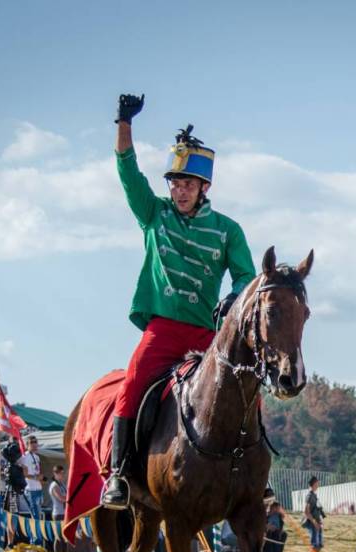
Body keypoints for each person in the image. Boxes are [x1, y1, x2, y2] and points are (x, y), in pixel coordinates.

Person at [101, 93, 257, 510]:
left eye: (188, 184)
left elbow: (246, 275)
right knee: (131, 384)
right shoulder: (154, 214)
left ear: (204, 187)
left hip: (208, 335)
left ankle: (252, 475)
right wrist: (124, 124)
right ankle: (118, 474)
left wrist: (232, 299)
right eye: (175, 183)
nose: (180, 191)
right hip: (163, 329)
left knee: (245, 390)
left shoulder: (228, 230)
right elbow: (127, 173)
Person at [19, 434, 44, 520]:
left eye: (35, 442)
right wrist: (36, 478)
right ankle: (36, 533)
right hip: (30, 489)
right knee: (35, 514)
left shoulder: (37, 457)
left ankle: (39, 532)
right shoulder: (24, 456)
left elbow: (38, 471)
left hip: (38, 488)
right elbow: (24, 474)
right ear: (27, 445)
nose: (34, 444)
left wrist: (41, 479)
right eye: (31, 442)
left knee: (39, 513)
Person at [264, 487, 287, 552]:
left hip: (274, 528)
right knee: (270, 533)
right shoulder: (261, 506)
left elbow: (282, 518)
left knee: (283, 534)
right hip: (264, 530)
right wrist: (267, 526)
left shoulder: (275, 507)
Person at [303, 476, 325, 552]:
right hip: (312, 522)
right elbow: (306, 512)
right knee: (315, 541)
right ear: (314, 484)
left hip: (316, 521)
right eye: (317, 483)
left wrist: (319, 521)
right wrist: (314, 522)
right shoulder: (309, 496)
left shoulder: (314, 495)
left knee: (319, 541)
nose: (318, 485)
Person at [49, 465, 67, 549]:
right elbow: (61, 498)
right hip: (58, 513)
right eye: (61, 473)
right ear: (55, 474)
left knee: (64, 536)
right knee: (58, 537)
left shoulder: (62, 484)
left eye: (63, 473)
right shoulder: (54, 485)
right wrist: (71, 497)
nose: (62, 475)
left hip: (64, 513)